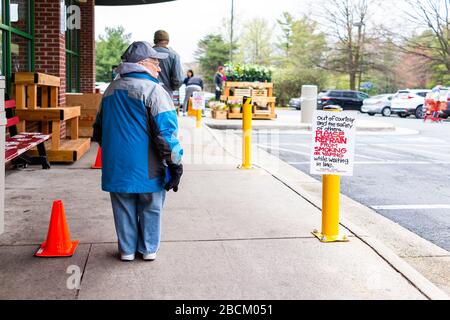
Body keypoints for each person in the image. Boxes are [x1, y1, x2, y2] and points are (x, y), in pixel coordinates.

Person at [92, 41, 184, 262]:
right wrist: (176, 163)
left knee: (123, 207)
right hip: (148, 165)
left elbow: (98, 130)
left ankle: (127, 251)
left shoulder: (110, 90)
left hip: (116, 166)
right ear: (142, 64)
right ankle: (148, 249)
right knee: (151, 207)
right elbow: (167, 133)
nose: (159, 68)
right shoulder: (154, 90)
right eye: (155, 63)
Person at [153, 30, 184, 99]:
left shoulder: (145, 53)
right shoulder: (174, 55)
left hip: (145, 94)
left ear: (154, 41)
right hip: (165, 95)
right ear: (167, 41)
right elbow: (178, 79)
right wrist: (170, 88)